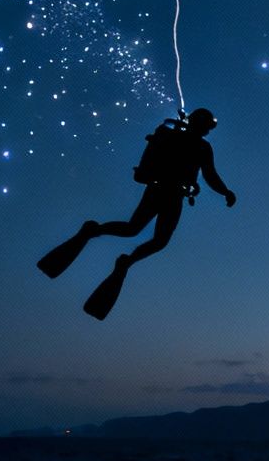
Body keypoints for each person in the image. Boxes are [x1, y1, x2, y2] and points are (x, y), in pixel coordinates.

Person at [36, 108, 236, 316]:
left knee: (146, 235)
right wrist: (225, 192)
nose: (208, 131)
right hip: (162, 191)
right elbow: (210, 175)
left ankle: (108, 245)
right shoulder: (195, 145)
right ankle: (107, 244)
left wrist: (224, 191)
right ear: (200, 124)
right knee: (141, 232)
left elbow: (210, 175)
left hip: (169, 194)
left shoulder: (191, 143)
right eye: (207, 126)